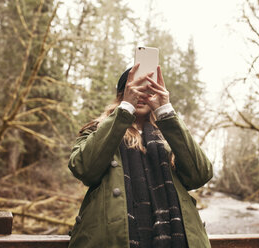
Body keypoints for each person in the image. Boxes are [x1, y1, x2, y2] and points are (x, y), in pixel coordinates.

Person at [67, 63, 213, 248]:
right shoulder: (97, 131)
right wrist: (125, 109)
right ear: (122, 94)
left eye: (149, 89)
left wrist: (165, 112)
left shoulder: (170, 134)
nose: (142, 95)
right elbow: (84, 169)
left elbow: (201, 175)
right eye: (136, 89)